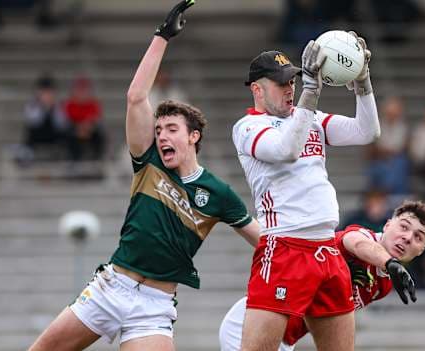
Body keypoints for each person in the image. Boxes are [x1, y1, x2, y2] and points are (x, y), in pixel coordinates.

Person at [27, 1, 262, 350]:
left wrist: (328, 251)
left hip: (153, 306)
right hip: (111, 288)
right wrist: (162, 37)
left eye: (171, 129)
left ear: (193, 136)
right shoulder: (148, 161)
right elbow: (136, 97)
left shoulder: (218, 193)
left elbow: (266, 241)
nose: (162, 135)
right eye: (159, 129)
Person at [232, 32, 380, 351]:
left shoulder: (309, 118)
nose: (290, 89)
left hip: (327, 248)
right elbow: (286, 149)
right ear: (257, 89)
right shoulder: (248, 127)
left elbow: (367, 131)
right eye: (281, 83)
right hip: (285, 247)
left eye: (293, 82)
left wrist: (363, 84)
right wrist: (310, 94)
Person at [219, 200, 425, 351]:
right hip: (255, 323)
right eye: (403, 227)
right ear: (388, 224)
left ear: (422, 250)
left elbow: (327, 316)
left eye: (418, 237)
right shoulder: (363, 236)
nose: (408, 237)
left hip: (285, 339)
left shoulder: (385, 284)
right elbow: (356, 242)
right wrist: (388, 262)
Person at [64, 76, 107, 161]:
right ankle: (73, 160)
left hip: (90, 131)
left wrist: (88, 128)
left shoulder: (93, 104)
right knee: (69, 137)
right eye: (79, 90)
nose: (82, 93)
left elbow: (96, 120)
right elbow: (68, 121)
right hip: (75, 132)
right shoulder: (70, 104)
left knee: (99, 136)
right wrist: (79, 129)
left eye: (84, 90)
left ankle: (97, 159)